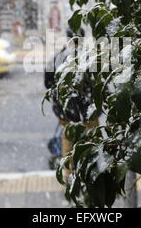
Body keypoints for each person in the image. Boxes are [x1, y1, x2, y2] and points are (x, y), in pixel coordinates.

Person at [44, 28, 99, 177]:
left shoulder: (57, 58)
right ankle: (90, 175)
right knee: (91, 144)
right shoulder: (92, 59)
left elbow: (48, 84)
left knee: (68, 147)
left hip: (66, 113)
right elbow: (100, 85)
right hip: (89, 112)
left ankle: (69, 177)